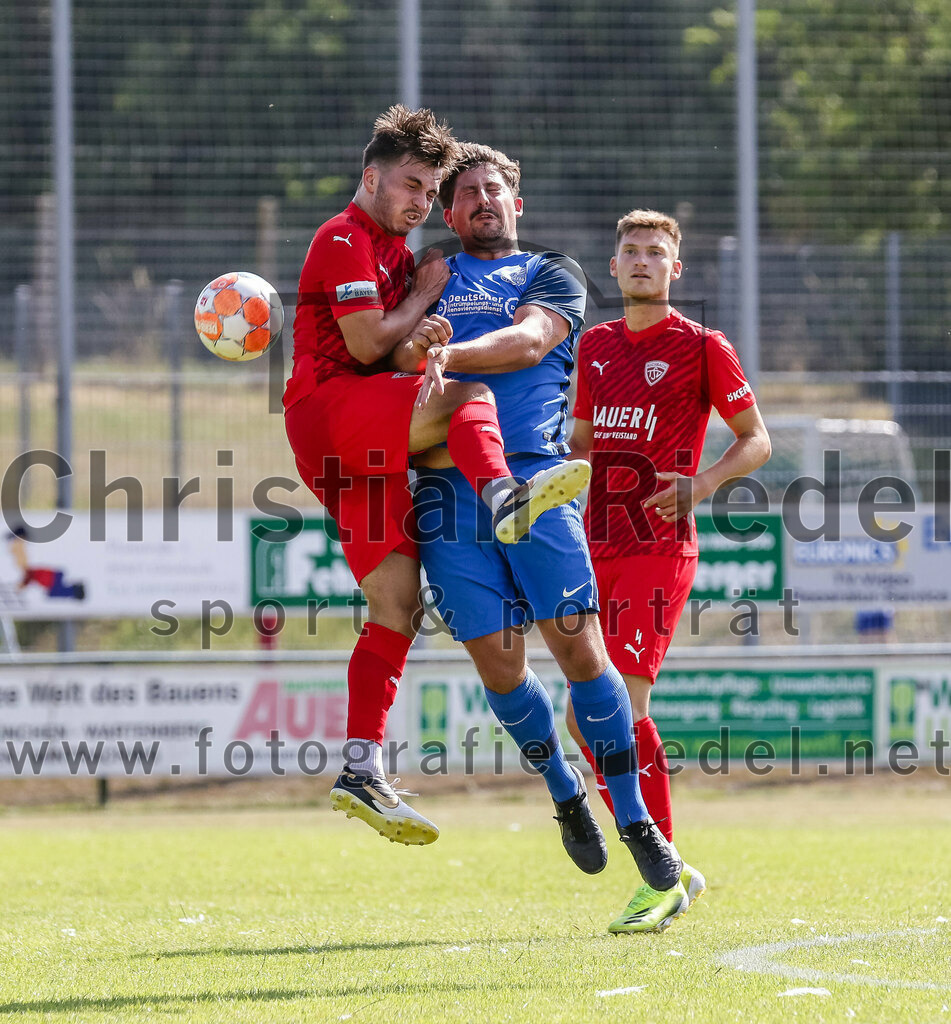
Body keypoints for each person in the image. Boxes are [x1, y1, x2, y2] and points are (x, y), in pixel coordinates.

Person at [283, 107, 587, 848]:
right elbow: (364, 342)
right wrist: (420, 303)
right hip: (330, 413)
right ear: (371, 178)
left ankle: (360, 768)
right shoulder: (346, 237)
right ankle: (503, 497)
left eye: (428, 191)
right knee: (467, 400)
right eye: (411, 186)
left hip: (359, 439)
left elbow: (394, 351)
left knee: (397, 604)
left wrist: (420, 328)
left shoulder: (391, 250)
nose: (420, 202)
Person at [407, 145, 688, 934]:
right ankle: (565, 792)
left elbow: (530, 343)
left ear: (515, 204)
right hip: (443, 493)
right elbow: (385, 354)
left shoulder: (549, 271)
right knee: (497, 660)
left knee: (580, 652)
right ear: (447, 209)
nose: (481, 201)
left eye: (494, 189)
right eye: (465, 193)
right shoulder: (425, 275)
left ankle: (634, 819)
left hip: (534, 483)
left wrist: (443, 353)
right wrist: (411, 331)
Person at [565, 208, 771, 914]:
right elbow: (581, 449)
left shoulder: (702, 345)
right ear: (614, 267)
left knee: (620, 705)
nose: (643, 261)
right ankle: (665, 857)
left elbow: (756, 440)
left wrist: (702, 485)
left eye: (656, 251)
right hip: (593, 548)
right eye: (630, 251)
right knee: (581, 716)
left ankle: (662, 872)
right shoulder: (593, 347)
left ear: (674, 269)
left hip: (658, 547)